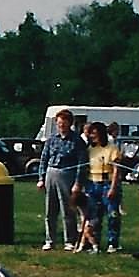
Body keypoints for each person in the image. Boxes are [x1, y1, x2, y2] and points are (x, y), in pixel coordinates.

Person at [36, 107, 88, 251]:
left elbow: (82, 163)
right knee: (50, 210)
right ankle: (50, 240)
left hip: (67, 174)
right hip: (51, 173)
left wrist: (78, 183)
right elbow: (44, 159)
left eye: (64, 123)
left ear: (69, 124)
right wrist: (41, 178)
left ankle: (69, 240)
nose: (61, 126)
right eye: (59, 123)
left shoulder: (77, 141)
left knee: (68, 210)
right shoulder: (51, 139)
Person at [73, 122, 120, 252]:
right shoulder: (89, 149)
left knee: (112, 214)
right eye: (90, 134)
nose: (92, 136)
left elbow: (116, 170)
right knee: (94, 215)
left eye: (94, 133)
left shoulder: (112, 148)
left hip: (107, 183)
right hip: (92, 183)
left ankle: (113, 242)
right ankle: (94, 242)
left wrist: (113, 187)